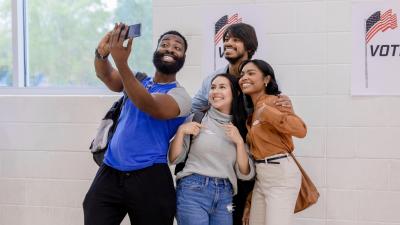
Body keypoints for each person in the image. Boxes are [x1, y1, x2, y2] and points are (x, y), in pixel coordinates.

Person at [83, 23, 192, 225]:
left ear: (183, 58)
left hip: (150, 177)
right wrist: (102, 54)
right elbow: (106, 75)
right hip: (110, 171)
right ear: (156, 51)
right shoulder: (138, 80)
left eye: (177, 47)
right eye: (165, 44)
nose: (170, 48)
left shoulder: (181, 96)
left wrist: (122, 63)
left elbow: (150, 105)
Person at [191, 22, 294, 225]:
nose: (229, 43)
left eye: (236, 39)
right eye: (227, 39)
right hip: (217, 165)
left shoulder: (259, 77)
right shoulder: (214, 78)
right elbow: (194, 108)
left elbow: (275, 114)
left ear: (249, 47)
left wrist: (285, 104)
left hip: (249, 163)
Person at [169, 73, 255, 225]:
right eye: (213, 87)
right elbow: (174, 158)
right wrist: (181, 131)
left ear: (235, 93)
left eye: (222, 87)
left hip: (225, 195)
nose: (215, 91)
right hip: (192, 190)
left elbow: (245, 174)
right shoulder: (197, 118)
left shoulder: (241, 127)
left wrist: (240, 143)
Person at [238, 59, 307, 225]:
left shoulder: (275, 101)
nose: (244, 77)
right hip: (262, 178)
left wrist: (268, 112)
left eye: (251, 73)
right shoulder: (251, 113)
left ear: (266, 79)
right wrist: (249, 200)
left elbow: (301, 130)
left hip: (281, 175)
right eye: (242, 74)